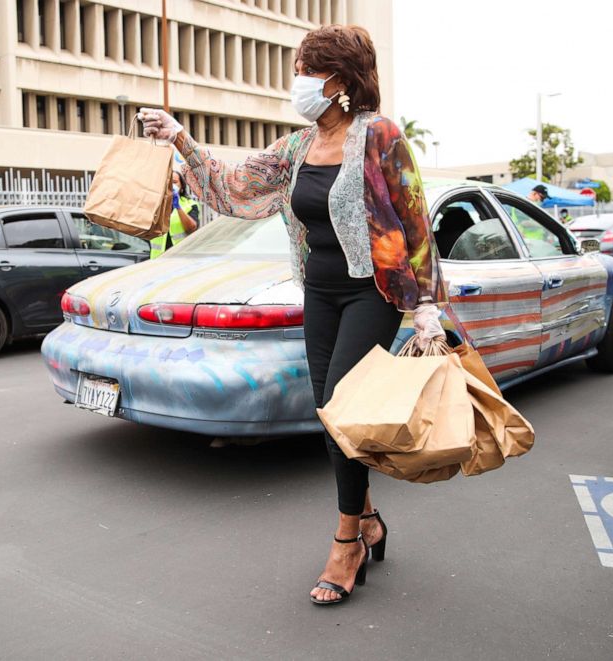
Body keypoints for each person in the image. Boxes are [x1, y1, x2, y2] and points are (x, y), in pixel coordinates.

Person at [140, 24, 450, 605]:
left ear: (337, 79)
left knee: (340, 411)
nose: (297, 81)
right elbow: (233, 187)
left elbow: (413, 220)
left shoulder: (379, 135)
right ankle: (370, 518)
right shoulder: (297, 146)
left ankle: (346, 542)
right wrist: (179, 135)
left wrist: (427, 303)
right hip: (320, 293)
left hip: (372, 294)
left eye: (305, 69)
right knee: (329, 413)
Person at [149, 171, 199, 258]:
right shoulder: (156, 205)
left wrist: (178, 207)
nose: (171, 185)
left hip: (181, 258)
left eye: (174, 182)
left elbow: (192, 228)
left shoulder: (190, 205)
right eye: (168, 182)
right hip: (157, 259)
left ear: (182, 186)